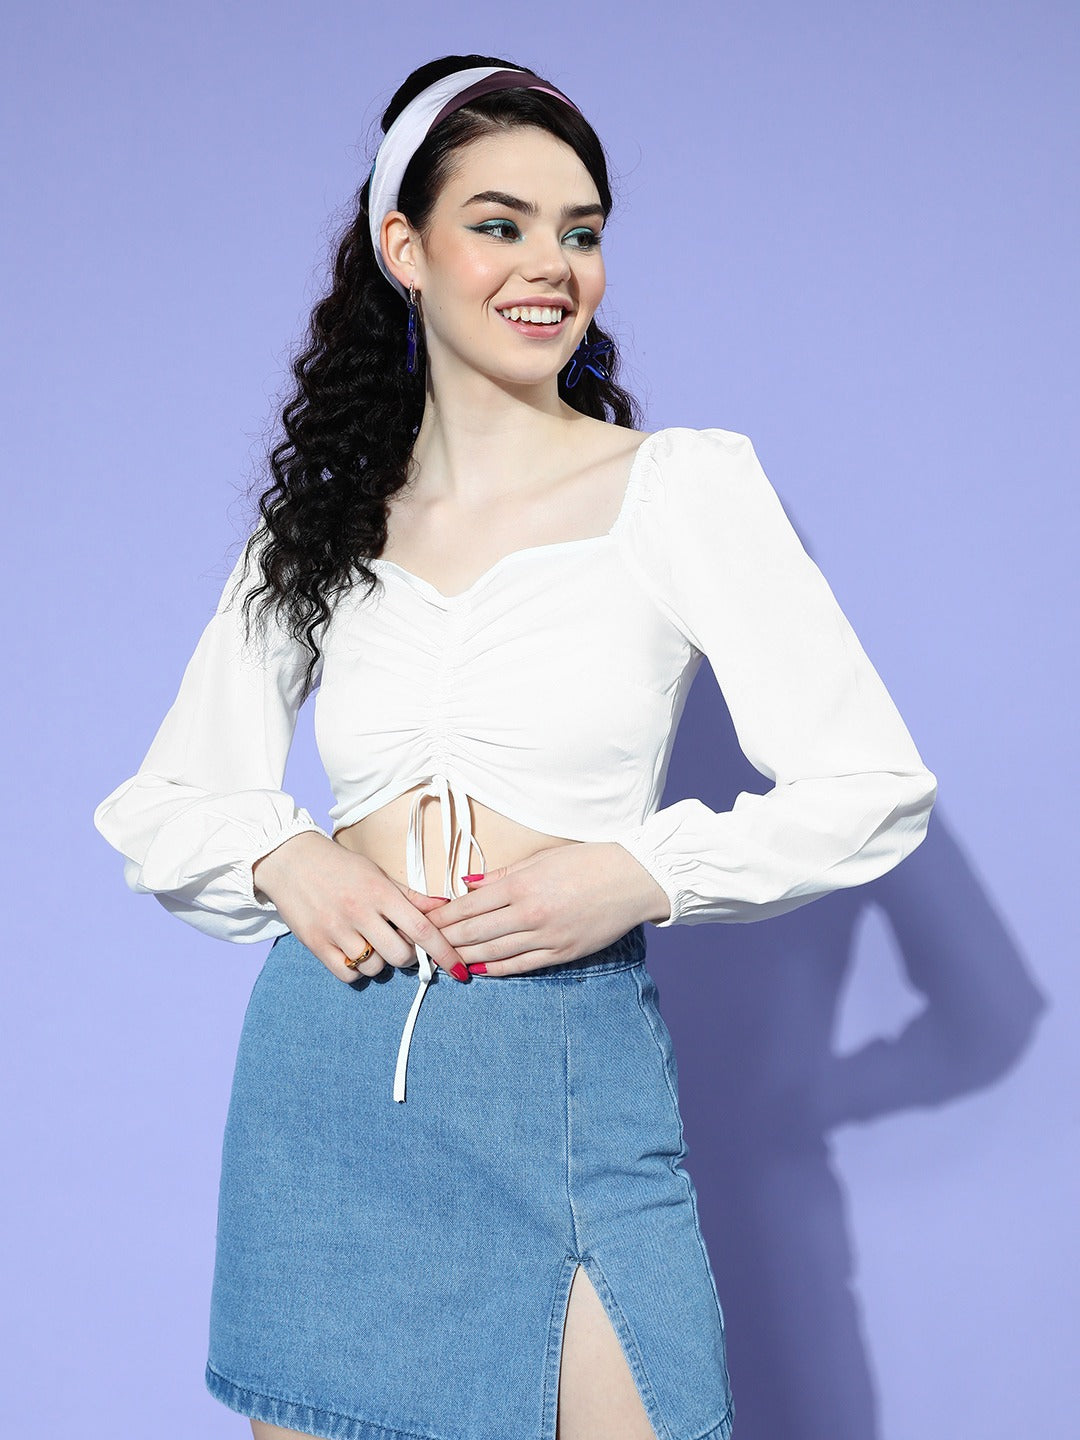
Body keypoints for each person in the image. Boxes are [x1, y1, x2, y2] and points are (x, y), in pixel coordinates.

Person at [94, 53, 938, 1440]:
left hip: (566, 1065)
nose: (552, 265)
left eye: (580, 230)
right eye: (501, 223)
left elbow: (874, 788)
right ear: (404, 250)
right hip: (331, 1079)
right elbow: (165, 799)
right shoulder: (321, 526)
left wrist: (638, 873)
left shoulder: (682, 488)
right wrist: (288, 855)